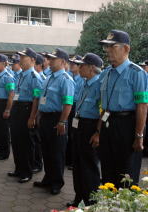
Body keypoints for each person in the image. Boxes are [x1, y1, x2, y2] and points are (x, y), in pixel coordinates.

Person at [91, 30, 148, 188]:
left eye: (112, 46)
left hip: (127, 125)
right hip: (108, 123)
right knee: (108, 170)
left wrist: (139, 135)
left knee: (126, 174)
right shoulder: (106, 74)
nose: (108, 50)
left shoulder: (137, 73)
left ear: (126, 49)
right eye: (106, 47)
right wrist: (99, 130)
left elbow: (142, 106)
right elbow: (104, 107)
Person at [34, 48, 75, 195]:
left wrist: (62, 122)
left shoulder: (66, 80)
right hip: (45, 117)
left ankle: (57, 182)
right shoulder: (49, 77)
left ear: (63, 62)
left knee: (57, 152)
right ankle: (48, 178)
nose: (49, 61)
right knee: (46, 150)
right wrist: (39, 114)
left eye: (53, 59)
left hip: (57, 118)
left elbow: (68, 104)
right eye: (49, 59)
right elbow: (42, 98)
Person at [66, 53, 103, 207]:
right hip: (79, 125)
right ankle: (79, 197)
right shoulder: (84, 82)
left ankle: (91, 202)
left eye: (82, 65)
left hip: (91, 126)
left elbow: (103, 111)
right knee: (78, 164)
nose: (79, 68)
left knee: (89, 166)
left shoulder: (100, 85)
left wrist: (98, 133)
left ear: (92, 68)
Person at [8, 48, 43, 183]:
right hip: (18, 108)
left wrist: (32, 117)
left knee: (26, 143)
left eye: (24, 57)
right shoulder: (21, 75)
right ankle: (18, 169)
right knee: (16, 141)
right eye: (20, 57)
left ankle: (26, 172)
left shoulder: (35, 76)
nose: (21, 60)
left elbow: (36, 99)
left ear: (33, 60)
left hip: (27, 109)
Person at [0, 54, 15, 160]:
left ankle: (4, 153)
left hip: (3, 104)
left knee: (3, 131)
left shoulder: (8, 77)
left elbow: (11, 94)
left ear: (4, 63)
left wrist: (8, 110)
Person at [66, 55, 85, 169]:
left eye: (74, 64)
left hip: (76, 108)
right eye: (71, 63)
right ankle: (68, 158)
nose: (72, 65)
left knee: (74, 134)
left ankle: (74, 160)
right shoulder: (69, 76)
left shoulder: (83, 79)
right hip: (70, 106)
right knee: (68, 133)